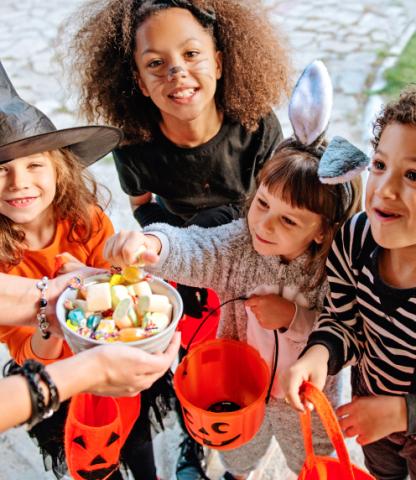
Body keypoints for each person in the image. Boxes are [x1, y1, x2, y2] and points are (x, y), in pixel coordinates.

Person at [102, 61, 364, 480]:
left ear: (322, 232)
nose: (263, 224)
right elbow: (198, 249)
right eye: (262, 204)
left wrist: (295, 317)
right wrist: (154, 244)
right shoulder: (239, 242)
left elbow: (346, 327)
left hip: (308, 401)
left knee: (310, 459)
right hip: (241, 388)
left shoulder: (333, 268)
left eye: (289, 220)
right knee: (240, 448)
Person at [66, 1, 291, 477]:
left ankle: (236, 446)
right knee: (188, 357)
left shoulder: (256, 128)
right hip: (178, 254)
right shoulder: (134, 144)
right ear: (138, 81)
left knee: (243, 351)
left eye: (192, 54)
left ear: (221, 60)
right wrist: (161, 245)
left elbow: (273, 206)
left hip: (246, 253)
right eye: (156, 64)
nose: (177, 73)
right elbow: (142, 205)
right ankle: (195, 438)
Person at [0, 60, 165, 480]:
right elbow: (28, 354)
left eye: (34, 165)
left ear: (59, 168)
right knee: (91, 460)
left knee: (136, 441)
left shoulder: (86, 220)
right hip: (55, 380)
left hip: (114, 353)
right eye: (0, 170)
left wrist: (101, 276)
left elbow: (117, 294)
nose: (18, 182)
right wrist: (51, 321)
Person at [282, 87, 416, 480]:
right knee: (381, 471)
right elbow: (344, 323)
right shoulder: (355, 239)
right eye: (379, 165)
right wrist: (319, 354)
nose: (385, 190)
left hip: (393, 412)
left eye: (413, 174)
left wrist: (401, 412)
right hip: (371, 407)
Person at [0, 338, 181, 434]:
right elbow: (30, 356)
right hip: (66, 399)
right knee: (95, 453)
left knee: (135, 436)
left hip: (124, 368)